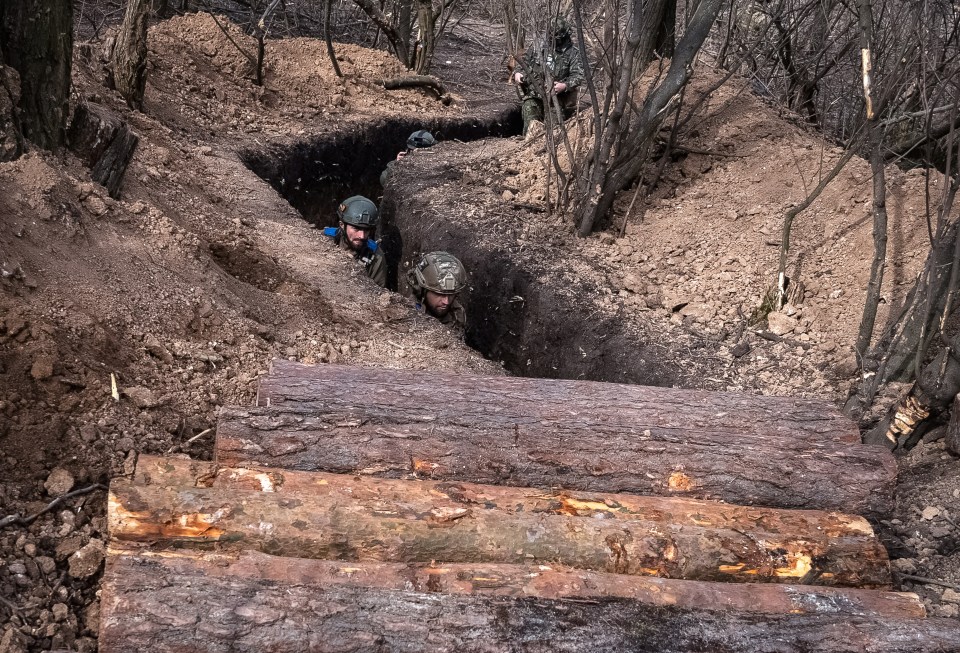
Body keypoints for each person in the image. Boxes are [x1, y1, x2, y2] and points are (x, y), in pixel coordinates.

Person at [512, 17, 585, 136]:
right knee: (529, 110)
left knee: (554, 128)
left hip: (557, 99)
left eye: (556, 36)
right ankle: (528, 143)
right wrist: (518, 72)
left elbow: (578, 76)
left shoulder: (573, 53)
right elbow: (524, 61)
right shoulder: (539, 46)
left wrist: (565, 85)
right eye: (551, 35)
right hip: (535, 94)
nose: (552, 39)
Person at [323, 195, 387, 287]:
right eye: (356, 229)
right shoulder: (324, 239)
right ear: (342, 225)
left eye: (366, 230)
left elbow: (379, 294)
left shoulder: (375, 256)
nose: (362, 236)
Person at [407, 251, 467, 330]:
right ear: (422, 290)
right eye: (440, 294)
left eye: (451, 295)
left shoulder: (457, 314)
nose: (446, 302)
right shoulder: (409, 315)